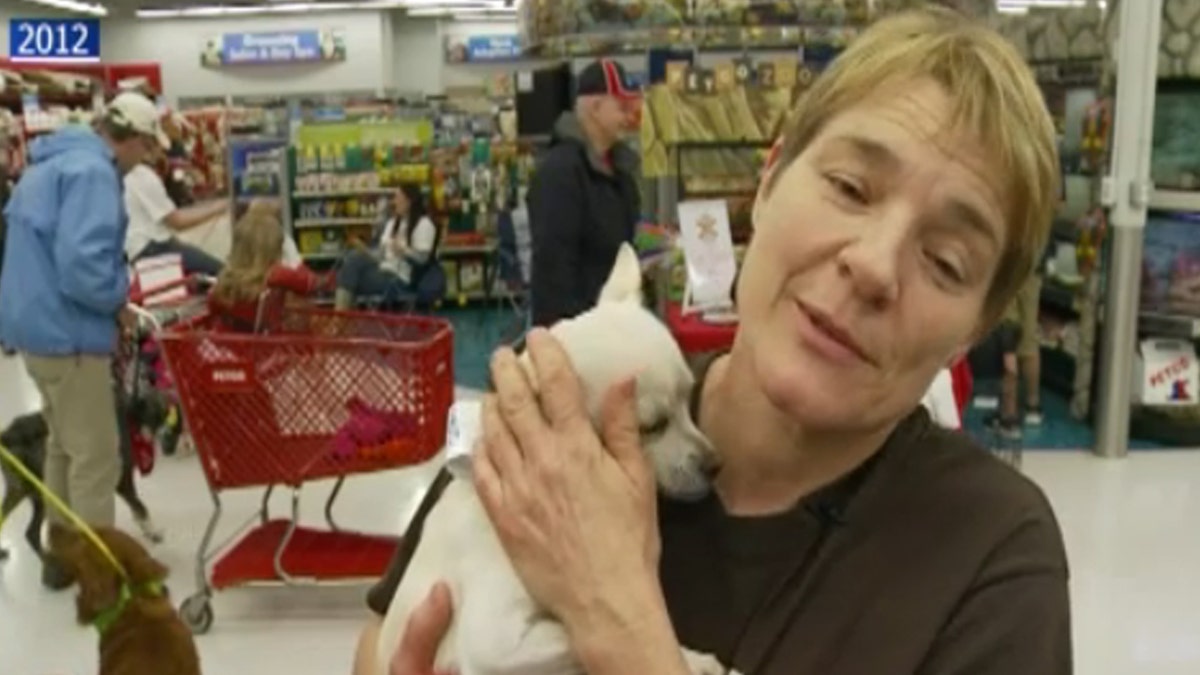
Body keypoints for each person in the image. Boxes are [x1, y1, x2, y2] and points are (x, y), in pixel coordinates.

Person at [362, 7, 1071, 675]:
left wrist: (619, 623)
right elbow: (380, 638)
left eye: (946, 260)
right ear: (767, 182)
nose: (874, 265)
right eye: (851, 187)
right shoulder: (551, 425)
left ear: (975, 327)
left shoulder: (993, 562)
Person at [0, 92, 160, 590]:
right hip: (68, 335)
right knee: (96, 456)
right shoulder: (92, 175)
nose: (145, 161)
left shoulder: (48, 166)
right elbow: (83, 268)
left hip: (33, 329)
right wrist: (118, 303)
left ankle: (61, 558)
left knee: (63, 449)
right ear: (130, 139)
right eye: (147, 148)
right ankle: (100, 576)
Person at [526, 58, 642, 328]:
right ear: (595, 107)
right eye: (622, 106)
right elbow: (553, 275)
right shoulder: (560, 174)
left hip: (615, 324)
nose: (630, 116)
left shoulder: (620, 170)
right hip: (580, 338)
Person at [209, 201, 333, 331]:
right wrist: (327, 279)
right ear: (273, 250)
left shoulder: (225, 280)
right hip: (266, 344)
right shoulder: (276, 275)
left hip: (224, 345)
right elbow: (307, 284)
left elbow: (212, 305)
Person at [124, 142, 228, 276]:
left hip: (135, 249)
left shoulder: (121, 174)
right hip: (152, 248)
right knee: (223, 273)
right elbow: (177, 222)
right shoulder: (141, 176)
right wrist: (219, 208)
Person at [334, 183, 440, 310]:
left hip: (400, 279)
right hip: (383, 270)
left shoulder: (424, 224)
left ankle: (340, 317)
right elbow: (380, 256)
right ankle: (341, 316)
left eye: (397, 198)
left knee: (347, 277)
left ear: (409, 201)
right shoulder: (393, 223)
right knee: (353, 259)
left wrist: (404, 251)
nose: (394, 202)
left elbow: (423, 259)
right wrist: (363, 249)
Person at [992, 271, 1044, 438]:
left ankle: (1009, 416)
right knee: (1029, 340)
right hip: (1033, 269)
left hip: (1011, 268)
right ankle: (1033, 407)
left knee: (1008, 332)